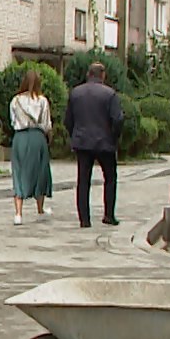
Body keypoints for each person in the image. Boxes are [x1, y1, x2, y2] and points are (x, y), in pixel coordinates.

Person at [66, 62, 124, 227]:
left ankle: (84, 219)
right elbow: (118, 119)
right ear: (103, 75)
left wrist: (75, 134)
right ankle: (109, 215)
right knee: (110, 178)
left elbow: (68, 120)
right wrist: (114, 137)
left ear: (88, 74)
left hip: (82, 142)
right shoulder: (110, 94)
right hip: (105, 142)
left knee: (83, 181)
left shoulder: (76, 93)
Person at [8, 69, 55, 225]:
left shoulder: (15, 101)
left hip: (20, 137)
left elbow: (13, 121)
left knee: (18, 172)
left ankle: (18, 213)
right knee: (40, 172)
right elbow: (47, 124)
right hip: (37, 137)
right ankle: (40, 209)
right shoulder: (42, 101)